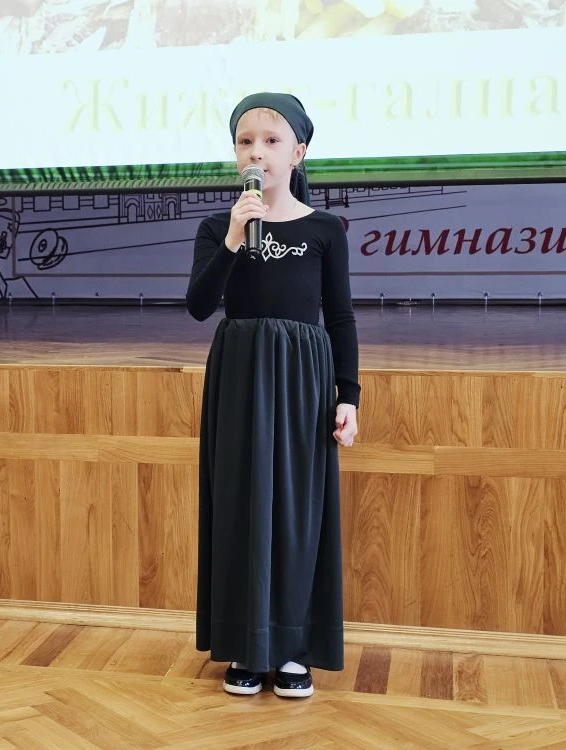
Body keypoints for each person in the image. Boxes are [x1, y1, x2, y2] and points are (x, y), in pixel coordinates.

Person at [186, 93, 359, 699]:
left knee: (295, 512)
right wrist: (235, 238)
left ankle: (291, 648)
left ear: (298, 152)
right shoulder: (218, 227)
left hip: (303, 380)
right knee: (240, 505)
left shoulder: (324, 230)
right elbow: (199, 306)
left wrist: (348, 396)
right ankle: (244, 643)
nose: (256, 151)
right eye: (245, 141)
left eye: (271, 140)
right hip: (240, 377)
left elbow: (340, 317)